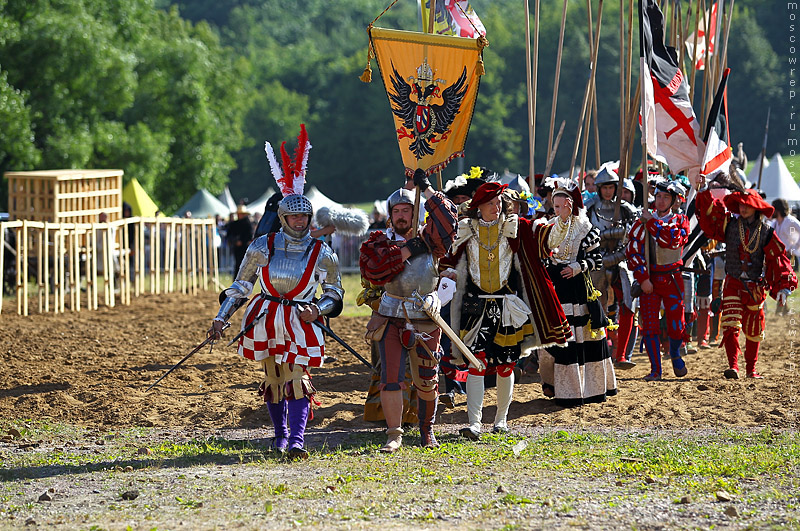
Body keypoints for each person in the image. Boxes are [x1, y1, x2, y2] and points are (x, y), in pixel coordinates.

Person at [210, 125, 344, 459]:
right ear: (283, 217)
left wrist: (319, 309)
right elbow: (241, 286)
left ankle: (297, 439)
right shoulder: (262, 245)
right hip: (267, 316)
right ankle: (280, 435)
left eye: (304, 216)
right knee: (274, 379)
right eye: (294, 216)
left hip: (301, 317)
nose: (300, 222)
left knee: (297, 378)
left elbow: (335, 291)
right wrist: (221, 317)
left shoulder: (322, 251)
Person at [447, 181, 570, 440]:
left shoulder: (518, 228)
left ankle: (501, 421)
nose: (497, 207)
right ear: (478, 207)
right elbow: (445, 259)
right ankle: (474, 424)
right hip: (474, 306)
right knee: (476, 364)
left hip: (505, 307)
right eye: (490, 203)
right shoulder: (464, 230)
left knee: (506, 366)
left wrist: (563, 219)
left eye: (499, 202)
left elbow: (550, 240)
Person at [359, 169, 458, 452]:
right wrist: (408, 249)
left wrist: (426, 189)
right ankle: (394, 434)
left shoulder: (433, 241)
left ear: (416, 213)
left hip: (426, 318)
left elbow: (450, 220)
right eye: (397, 211)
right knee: (391, 380)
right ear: (390, 215)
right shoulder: (378, 241)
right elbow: (375, 270)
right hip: (390, 316)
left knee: (427, 381)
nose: (402, 215)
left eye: (407, 210)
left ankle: (427, 432)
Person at [696, 174, 797, 378]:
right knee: (730, 325)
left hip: (756, 287)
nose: (743, 208)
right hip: (732, 282)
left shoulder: (767, 232)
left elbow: (778, 258)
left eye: (747, 205)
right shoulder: (729, 224)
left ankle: (751, 369)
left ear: (756, 208)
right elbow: (710, 216)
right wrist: (703, 189)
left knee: (753, 331)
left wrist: (784, 285)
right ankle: (733, 366)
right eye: (741, 204)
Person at [539, 180, 617, 406]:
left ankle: (586, 388)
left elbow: (597, 259)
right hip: (554, 290)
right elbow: (540, 256)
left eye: (560, 206)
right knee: (554, 339)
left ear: (570, 205)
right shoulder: (547, 228)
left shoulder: (587, 229)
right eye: (554, 207)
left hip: (579, 291)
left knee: (584, 338)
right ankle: (551, 383)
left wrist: (578, 266)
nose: (557, 211)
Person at [625, 179, 690, 381]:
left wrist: (651, 223)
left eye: (666, 197)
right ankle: (655, 370)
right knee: (650, 325)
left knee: (676, 324)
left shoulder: (681, 221)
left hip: (672, 279)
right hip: (650, 280)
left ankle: (676, 354)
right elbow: (633, 251)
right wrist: (643, 278)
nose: (661, 201)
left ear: (675, 201)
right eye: (658, 196)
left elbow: (672, 241)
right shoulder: (641, 222)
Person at [771, 198, 800, 314]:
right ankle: (784, 307)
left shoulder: (790, 221)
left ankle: (781, 307)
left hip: (788, 255)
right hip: (779, 256)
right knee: (778, 281)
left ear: (777, 209)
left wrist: (792, 249)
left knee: (785, 281)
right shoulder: (775, 223)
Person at [226, 204, 253, 275]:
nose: (239, 215)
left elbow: (249, 236)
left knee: (245, 265)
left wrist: (242, 242)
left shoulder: (248, 224)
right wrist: (235, 241)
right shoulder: (234, 224)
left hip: (245, 247)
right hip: (236, 247)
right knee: (237, 264)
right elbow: (229, 235)